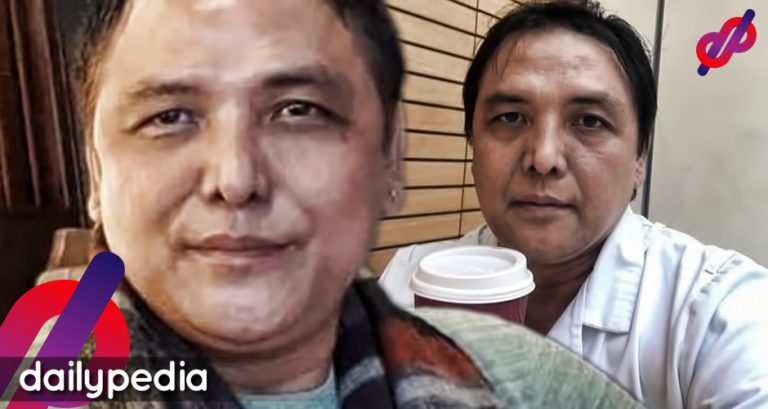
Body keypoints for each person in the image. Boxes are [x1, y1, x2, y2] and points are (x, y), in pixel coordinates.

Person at [23, 0, 643, 408]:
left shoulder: (519, 373)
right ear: (95, 175)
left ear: (389, 161)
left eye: (299, 111)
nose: (235, 179)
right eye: (169, 117)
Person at [379, 1, 768, 408]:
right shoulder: (406, 284)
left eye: (589, 121)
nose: (543, 158)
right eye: (510, 117)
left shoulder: (716, 311)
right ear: (473, 143)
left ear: (640, 157)